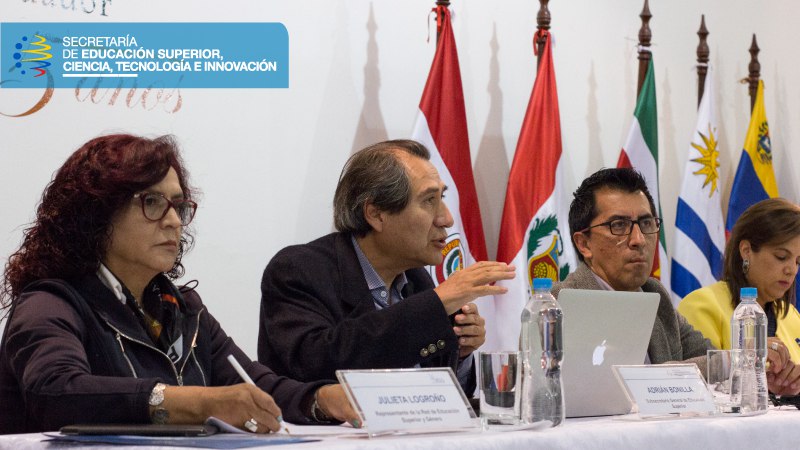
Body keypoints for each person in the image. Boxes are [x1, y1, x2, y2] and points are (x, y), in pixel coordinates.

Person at [0, 134, 356, 434]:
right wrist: (197, 403)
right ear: (96, 214)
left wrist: (322, 400)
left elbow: (253, 387)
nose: (173, 221)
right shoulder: (50, 302)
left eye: (179, 205)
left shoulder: (184, 308)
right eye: (152, 202)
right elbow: (55, 392)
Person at [258, 139, 515, 395]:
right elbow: (317, 364)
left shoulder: (417, 281)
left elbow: (442, 393)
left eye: (442, 198)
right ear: (376, 214)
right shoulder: (299, 270)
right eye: (428, 200)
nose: (446, 219)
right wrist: (436, 303)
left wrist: (461, 351)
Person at [553, 168, 713, 369]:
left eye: (646, 223)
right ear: (584, 244)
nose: (639, 240)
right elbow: (539, 393)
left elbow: (715, 361)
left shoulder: (655, 294)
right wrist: (659, 379)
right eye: (619, 225)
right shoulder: (556, 307)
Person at [678, 198, 800, 396]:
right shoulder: (702, 305)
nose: (791, 270)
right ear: (746, 251)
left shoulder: (792, 316)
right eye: (781, 257)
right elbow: (693, 388)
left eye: (798, 261)